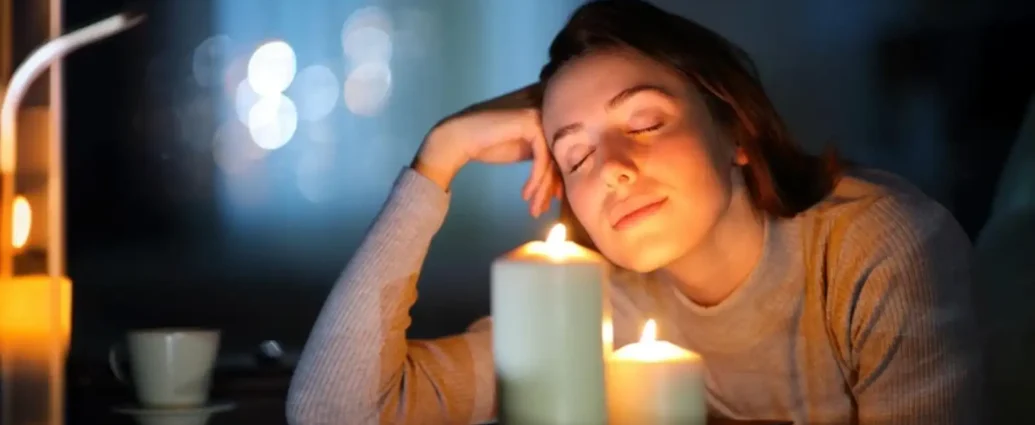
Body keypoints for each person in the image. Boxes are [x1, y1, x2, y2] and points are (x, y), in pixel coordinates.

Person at [286, 1, 982, 424]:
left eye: (644, 121)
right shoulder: (595, 306)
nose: (612, 167)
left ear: (734, 131)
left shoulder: (879, 246)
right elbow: (336, 411)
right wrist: (438, 157)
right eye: (576, 155)